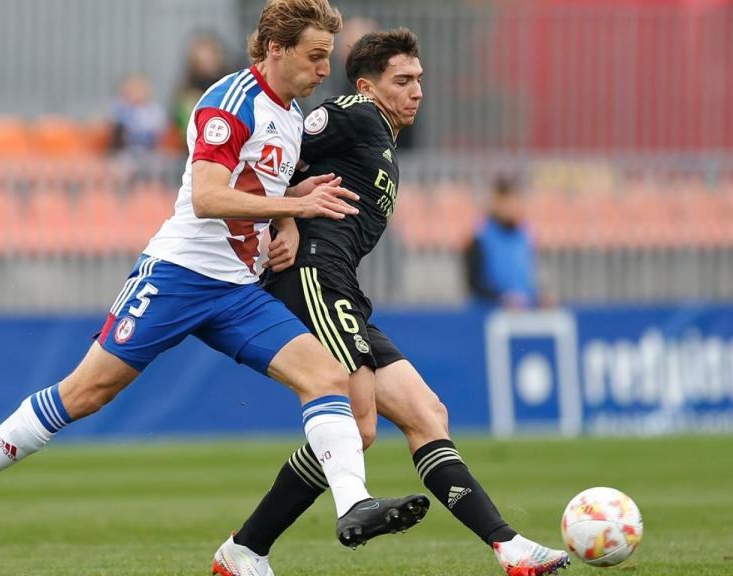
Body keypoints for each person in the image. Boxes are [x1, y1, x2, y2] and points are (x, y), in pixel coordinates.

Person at [0, 0, 429, 558]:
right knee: (87, 392)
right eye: (314, 57)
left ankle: (352, 503)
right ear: (276, 49)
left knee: (328, 379)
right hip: (179, 275)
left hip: (238, 289)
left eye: (327, 58)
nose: (321, 70)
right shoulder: (231, 101)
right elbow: (209, 196)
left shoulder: (289, 115)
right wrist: (298, 207)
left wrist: (287, 215)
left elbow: (265, 182)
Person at [212, 29, 570, 576]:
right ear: (366, 86)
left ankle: (510, 549)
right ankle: (253, 547)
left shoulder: (380, 136)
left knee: (428, 414)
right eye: (402, 81)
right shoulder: (352, 113)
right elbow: (269, 154)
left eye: (419, 79)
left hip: (343, 288)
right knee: (356, 426)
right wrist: (282, 217)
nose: (416, 91)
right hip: (311, 276)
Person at [464, 176, 553, 309]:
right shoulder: (480, 236)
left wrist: (539, 297)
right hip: (490, 312)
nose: (511, 207)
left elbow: (526, 280)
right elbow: (474, 284)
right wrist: (501, 299)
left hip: (522, 311)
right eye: (506, 202)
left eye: (515, 201)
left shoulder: (526, 235)